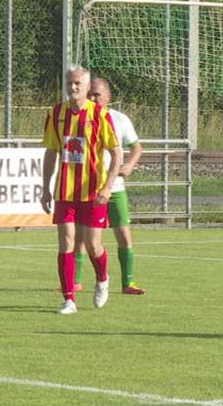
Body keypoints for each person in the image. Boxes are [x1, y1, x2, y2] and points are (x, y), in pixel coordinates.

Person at [41, 66, 123, 314]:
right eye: (69, 83)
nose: (73, 87)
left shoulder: (100, 115)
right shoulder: (56, 114)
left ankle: (102, 278)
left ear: (87, 87)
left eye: (77, 83)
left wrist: (108, 187)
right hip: (65, 192)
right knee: (66, 242)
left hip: (93, 193)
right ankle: (69, 299)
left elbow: (116, 153)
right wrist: (45, 188)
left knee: (92, 245)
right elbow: (50, 152)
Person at [72, 77, 146, 295]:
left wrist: (130, 164)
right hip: (89, 188)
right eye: (90, 94)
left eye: (97, 94)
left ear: (108, 97)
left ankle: (128, 283)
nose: (93, 98)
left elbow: (137, 147)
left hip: (115, 189)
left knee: (123, 233)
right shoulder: (79, 116)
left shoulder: (120, 119)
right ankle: (75, 281)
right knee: (82, 237)